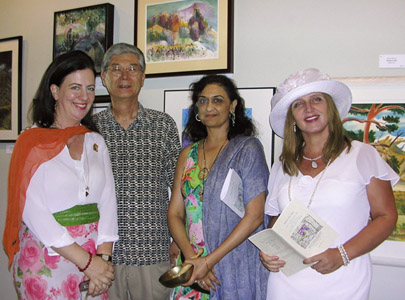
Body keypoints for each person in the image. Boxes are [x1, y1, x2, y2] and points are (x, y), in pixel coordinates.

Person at [260, 68, 399, 300]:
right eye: (298, 104)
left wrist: (342, 254)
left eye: (317, 99)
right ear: (292, 118)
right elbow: (278, 219)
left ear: (330, 108)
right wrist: (270, 251)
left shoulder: (361, 155)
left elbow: (386, 217)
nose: (308, 108)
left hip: (343, 278)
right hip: (286, 283)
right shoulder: (283, 164)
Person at [3, 50, 119, 299]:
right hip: (47, 259)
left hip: (94, 266)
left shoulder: (95, 141)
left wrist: (103, 259)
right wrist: (89, 263)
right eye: (75, 87)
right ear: (55, 91)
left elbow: (108, 202)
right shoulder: (30, 142)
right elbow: (33, 212)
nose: (84, 97)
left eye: (90, 88)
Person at [168, 75, 269, 300]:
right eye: (203, 101)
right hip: (192, 264)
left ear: (232, 105)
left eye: (218, 100)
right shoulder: (187, 155)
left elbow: (255, 216)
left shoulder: (247, 149)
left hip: (231, 260)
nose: (209, 107)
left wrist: (208, 261)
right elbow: (175, 213)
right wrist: (192, 260)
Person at [92, 43, 181, 300]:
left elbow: (178, 189)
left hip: (153, 252)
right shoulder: (89, 130)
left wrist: (179, 238)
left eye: (132, 69)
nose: (124, 76)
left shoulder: (162, 125)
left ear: (142, 78)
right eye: (116, 69)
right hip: (102, 255)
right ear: (104, 78)